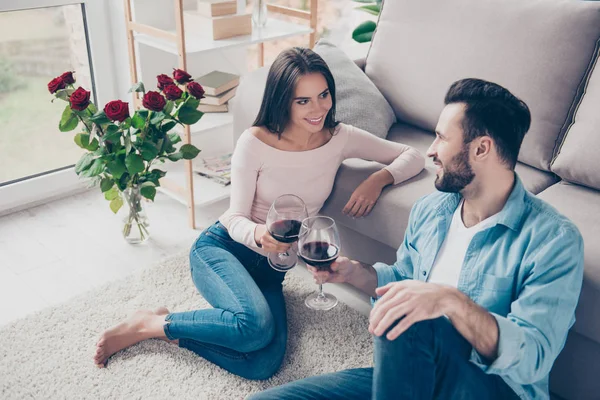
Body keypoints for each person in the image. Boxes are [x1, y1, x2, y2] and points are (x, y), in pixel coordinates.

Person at [93, 47, 426, 379]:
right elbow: (234, 216)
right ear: (283, 100)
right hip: (223, 250)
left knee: (262, 364)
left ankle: (172, 331)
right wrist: (258, 235)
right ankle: (151, 324)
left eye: (324, 95)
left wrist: (379, 179)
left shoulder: (340, 138)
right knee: (255, 327)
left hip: (270, 270)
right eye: (303, 100)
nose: (318, 108)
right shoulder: (255, 142)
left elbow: (413, 155)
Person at [250, 78, 584, 399]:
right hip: (417, 374)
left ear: (482, 148)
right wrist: (354, 272)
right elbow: (404, 280)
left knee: (410, 318)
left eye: (441, 138)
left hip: (490, 387)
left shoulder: (552, 240)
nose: (431, 151)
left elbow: (534, 358)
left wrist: (451, 302)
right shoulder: (433, 209)